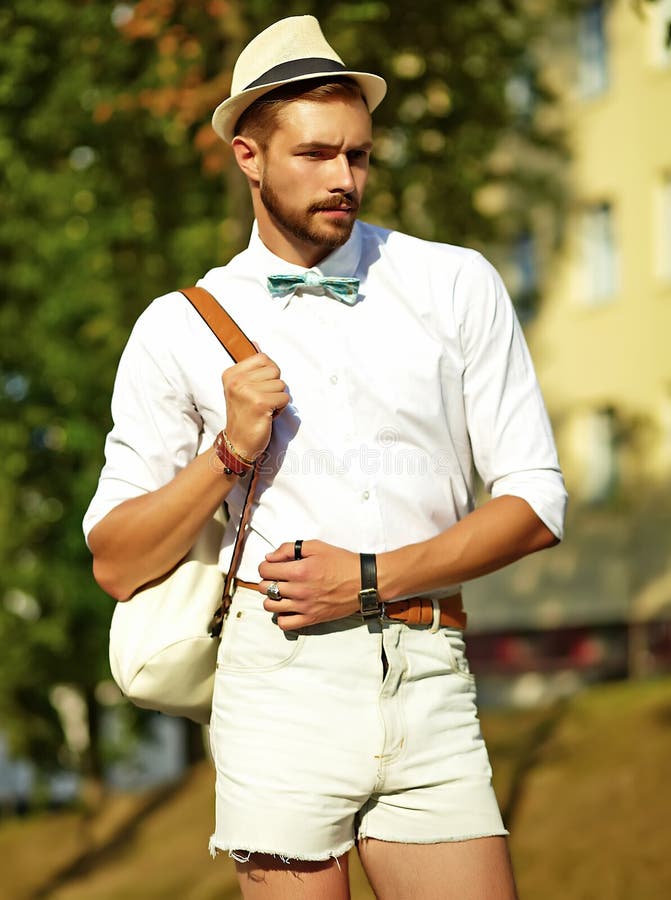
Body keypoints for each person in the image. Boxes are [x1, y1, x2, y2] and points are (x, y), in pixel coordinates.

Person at [84, 15, 567, 900]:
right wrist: (229, 451)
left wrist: (375, 576)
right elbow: (116, 561)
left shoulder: (452, 283)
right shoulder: (178, 326)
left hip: (428, 672)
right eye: (314, 154)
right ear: (248, 156)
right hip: (277, 686)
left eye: (358, 155)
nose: (344, 179)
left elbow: (535, 503)